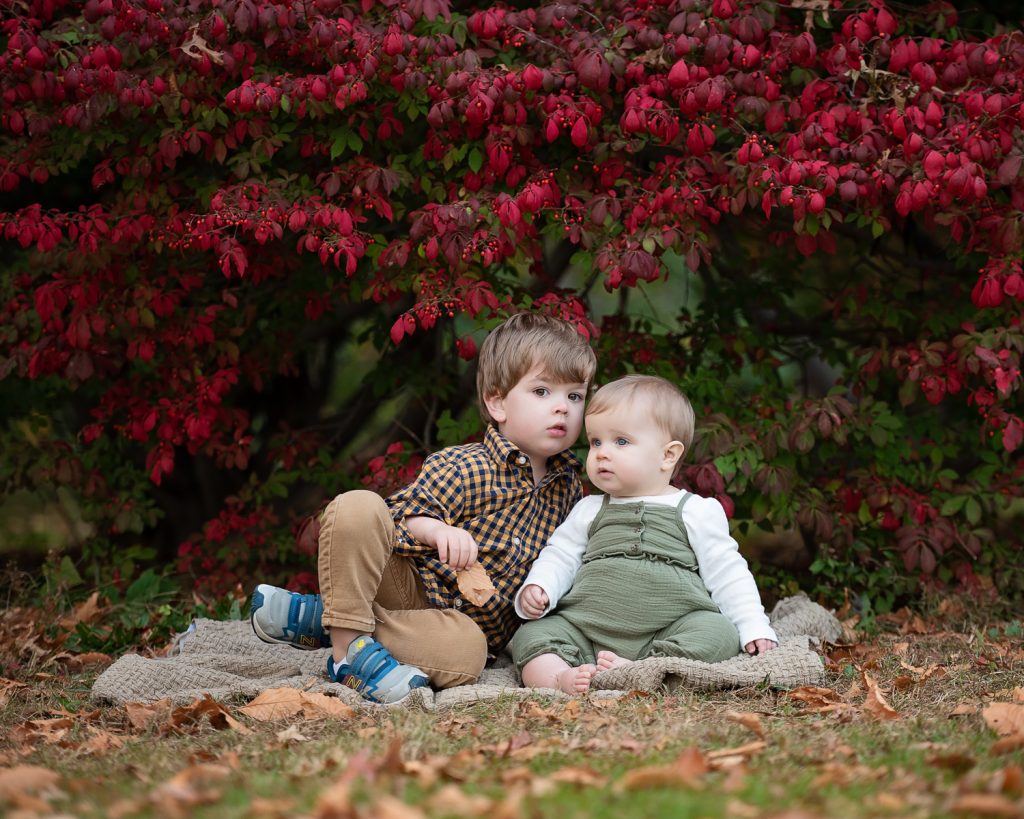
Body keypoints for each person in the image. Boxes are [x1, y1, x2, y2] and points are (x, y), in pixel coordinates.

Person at [250, 313, 597, 703]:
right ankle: (346, 655)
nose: (562, 409)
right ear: (498, 402)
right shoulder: (465, 465)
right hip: (406, 586)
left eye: (574, 396)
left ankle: (332, 620)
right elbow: (399, 517)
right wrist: (439, 531)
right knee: (359, 506)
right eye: (542, 392)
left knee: (469, 654)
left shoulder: (570, 492)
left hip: (453, 628)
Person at [509, 374, 778, 694]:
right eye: (596, 442)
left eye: (620, 441)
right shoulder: (590, 508)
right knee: (531, 634)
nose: (602, 453)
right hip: (585, 628)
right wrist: (541, 587)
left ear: (668, 455)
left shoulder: (695, 511)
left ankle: (647, 667)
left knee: (718, 632)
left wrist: (753, 626)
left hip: (667, 629)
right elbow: (561, 555)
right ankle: (559, 677)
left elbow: (727, 573)